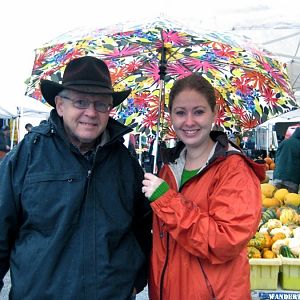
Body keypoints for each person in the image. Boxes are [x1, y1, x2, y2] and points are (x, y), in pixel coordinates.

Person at [0, 56, 152, 299]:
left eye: (101, 104)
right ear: (60, 105)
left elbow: (142, 228)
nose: (91, 113)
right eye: (81, 102)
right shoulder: (28, 155)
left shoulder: (126, 163)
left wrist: (137, 278)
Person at [142, 74, 265, 299]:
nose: (189, 122)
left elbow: (225, 241)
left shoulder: (234, 170)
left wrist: (167, 200)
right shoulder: (167, 170)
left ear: (214, 114)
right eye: (180, 112)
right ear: (170, 117)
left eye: (198, 111)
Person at [273, 127, 300, 193]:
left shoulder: (284, 142)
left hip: (278, 177)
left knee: (277, 200)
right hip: (292, 179)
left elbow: (276, 158)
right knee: (289, 201)